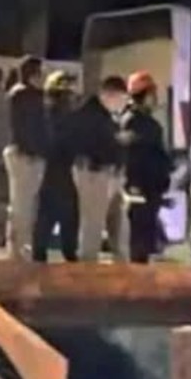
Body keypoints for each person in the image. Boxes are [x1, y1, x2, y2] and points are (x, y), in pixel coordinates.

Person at [69, 75, 129, 262]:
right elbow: (92, 144)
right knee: (93, 224)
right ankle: (88, 266)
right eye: (121, 98)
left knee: (118, 223)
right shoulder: (90, 114)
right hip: (94, 173)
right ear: (109, 95)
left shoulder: (107, 115)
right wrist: (116, 141)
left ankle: (121, 264)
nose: (123, 103)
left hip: (108, 174)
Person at [119, 71, 174, 264]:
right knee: (139, 243)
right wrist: (134, 185)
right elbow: (134, 157)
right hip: (140, 191)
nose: (156, 98)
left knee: (146, 243)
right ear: (143, 94)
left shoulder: (147, 123)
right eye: (152, 93)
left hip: (151, 190)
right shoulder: (132, 122)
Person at [31, 70, 80, 262]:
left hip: (59, 172)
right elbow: (57, 142)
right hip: (55, 172)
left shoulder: (54, 114)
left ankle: (46, 255)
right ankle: (48, 256)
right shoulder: (54, 116)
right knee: (55, 215)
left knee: (60, 216)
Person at [3, 55, 48, 260]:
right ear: (33, 75)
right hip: (25, 156)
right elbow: (31, 129)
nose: (44, 78)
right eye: (41, 73)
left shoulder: (21, 94)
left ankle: (20, 250)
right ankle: (19, 252)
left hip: (24, 154)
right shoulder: (25, 95)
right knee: (22, 207)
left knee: (24, 206)